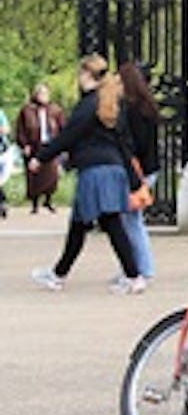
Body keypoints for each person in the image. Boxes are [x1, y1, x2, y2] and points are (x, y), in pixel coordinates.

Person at [29, 55, 145, 295]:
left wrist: (41, 157)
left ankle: (134, 276)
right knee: (81, 224)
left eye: (80, 74)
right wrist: (133, 178)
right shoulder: (111, 103)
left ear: (87, 75)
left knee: (108, 223)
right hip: (112, 169)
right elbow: (124, 142)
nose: (78, 79)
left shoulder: (88, 106)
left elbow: (68, 136)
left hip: (95, 171)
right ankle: (59, 274)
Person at [116, 62, 160, 282]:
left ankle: (141, 267)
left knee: (131, 221)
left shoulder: (132, 109)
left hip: (137, 170)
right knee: (131, 220)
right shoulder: (147, 106)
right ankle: (134, 266)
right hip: (147, 168)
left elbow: (137, 144)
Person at [16, 83, 65, 213]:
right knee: (34, 175)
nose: (43, 96)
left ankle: (49, 200)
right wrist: (24, 144)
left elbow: (63, 128)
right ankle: (35, 203)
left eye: (45, 93)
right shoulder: (27, 110)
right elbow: (20, 129)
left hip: (51, 145)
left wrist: (62, 145)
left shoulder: (55, 110)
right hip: (34, 145)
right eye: (41, 93)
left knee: (52, 174)